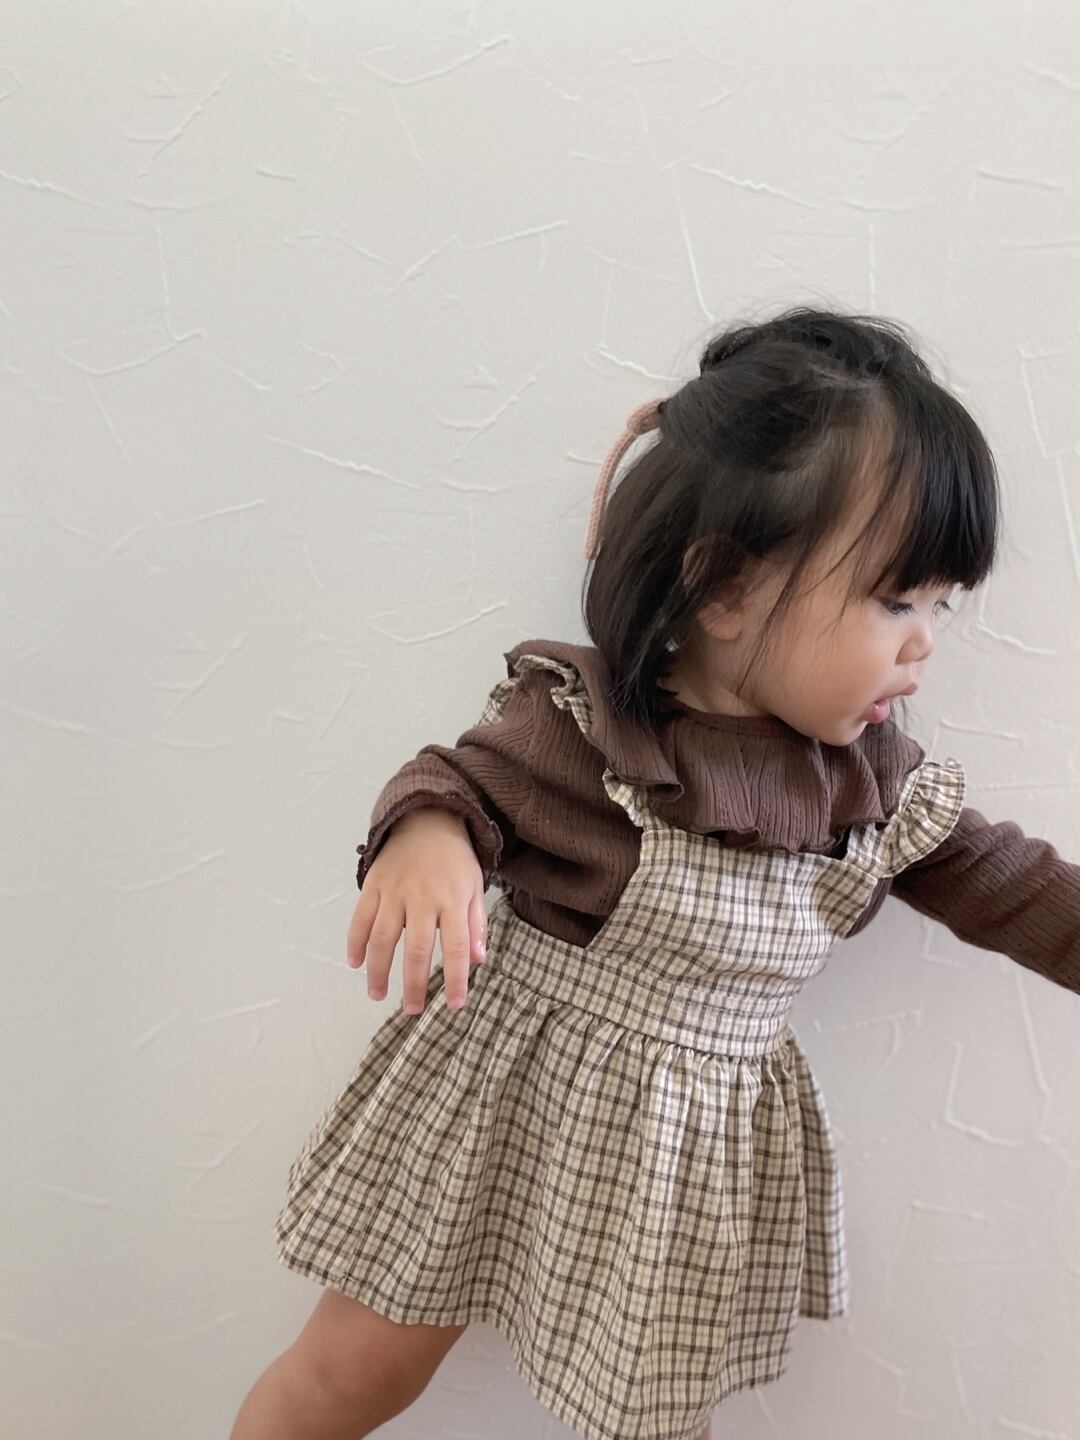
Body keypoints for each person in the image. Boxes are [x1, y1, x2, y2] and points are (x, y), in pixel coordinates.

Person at [230, 306, 1080, 1440]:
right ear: (723, 587)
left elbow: (1014, 887)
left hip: (678, 1174)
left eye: (939, 605)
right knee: (353, 1369)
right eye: (895, 600)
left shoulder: (874, 791)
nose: (926, 641)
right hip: (499, 1104)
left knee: (650, 1419)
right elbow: (459, 786)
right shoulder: (587, 731)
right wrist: (428, 842)